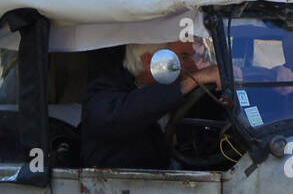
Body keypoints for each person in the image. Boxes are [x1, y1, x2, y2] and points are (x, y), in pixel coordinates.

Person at [81, 41, 220, 169]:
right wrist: (190, 82)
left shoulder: (184, 94)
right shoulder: (104, 92)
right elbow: (119, 116)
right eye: (183, 58)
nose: (192, 66)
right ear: (150, 61)